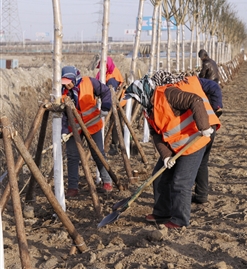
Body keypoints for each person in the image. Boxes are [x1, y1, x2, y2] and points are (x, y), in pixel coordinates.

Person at [124, 74, 221, 229]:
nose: (137, 101)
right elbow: (156, 135)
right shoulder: (148, 110)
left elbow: (195, 100)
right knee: (160, 175)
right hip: (176, 145)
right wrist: (166, 156)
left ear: (144, 93)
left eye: (137, 97)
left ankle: (180, 220)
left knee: (181, 182)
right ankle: (162, 212)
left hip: (195, 139)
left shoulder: (168, 94)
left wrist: (203, 127)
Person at [150, 70, 223, 204]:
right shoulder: (189, 82)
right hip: (205, 125)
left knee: (191, 167)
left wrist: (216, 108)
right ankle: (201, 195)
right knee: (202, 162)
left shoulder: (173, 91)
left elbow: (211, 88)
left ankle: (186, 199)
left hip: (202, 127)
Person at [61, 66, 113, 197]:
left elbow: (106, 92)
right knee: (72, 156)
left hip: (92, 125)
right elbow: (62, 114)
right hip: (74, 128)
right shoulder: (62, 93)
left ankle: (107, 181)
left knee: (98, 153)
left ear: (75, 78)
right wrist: (64, 131)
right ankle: (73, 187)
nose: (67, 85)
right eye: (64, 83)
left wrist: (106, 106)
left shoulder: (90, 82)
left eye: (69, 82)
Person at [96, 56, 126, 155]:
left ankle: (116, 146)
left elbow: (110, 92)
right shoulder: (103, 74)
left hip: (117, 102)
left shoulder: (113, 75)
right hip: (110, 101)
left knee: (115, 123)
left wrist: (106, 106)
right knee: (115, 124)